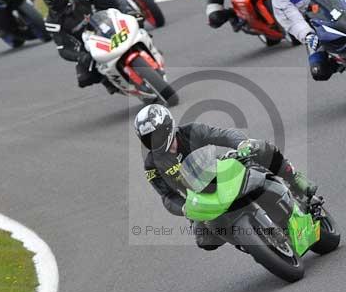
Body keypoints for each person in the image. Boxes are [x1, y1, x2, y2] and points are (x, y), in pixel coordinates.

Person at [134, 104, 317, 250]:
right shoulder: (151, 165)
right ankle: (248, 242)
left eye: (155, 134)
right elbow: (166, 196)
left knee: (260, 149)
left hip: (219, 174)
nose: (153, 140)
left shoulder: (191, 131)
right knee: (205, 241)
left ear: (168, 127)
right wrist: (184, 208)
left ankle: (294, 179)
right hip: (199, 200)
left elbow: (223, 135)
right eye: (147, 138)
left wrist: (242, 144)